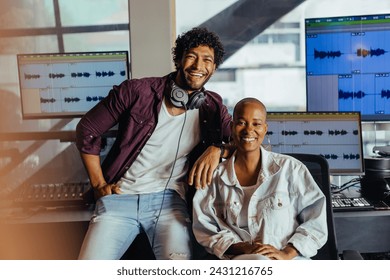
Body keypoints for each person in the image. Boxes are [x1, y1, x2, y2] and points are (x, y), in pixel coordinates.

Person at [75, 27, 232, 260]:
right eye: (191, 56)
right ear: (178, 60)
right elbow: (87, 129)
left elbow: (243, 142)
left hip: (170, 204)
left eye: (207, 60)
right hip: (120, 199)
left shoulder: (212, 107)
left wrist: (217, 149)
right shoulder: (137, 92)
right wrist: (99, 185)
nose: (199, 66)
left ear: (214, 68)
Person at [192, 97, 328, 260]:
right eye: (242, 122)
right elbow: (205, 228)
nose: (249, 130)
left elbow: (316, 224)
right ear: (232, 126)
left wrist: (286, 253)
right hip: (241, 261)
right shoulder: (214, 176)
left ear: (265, 128)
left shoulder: (291, 169)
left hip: (289, 260)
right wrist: (243, 248)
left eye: (256, 124)